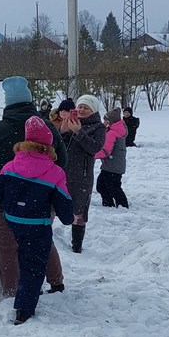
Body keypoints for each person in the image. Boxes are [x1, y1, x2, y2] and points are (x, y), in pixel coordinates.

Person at [0, 77, 64, 303]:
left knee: (8, 247)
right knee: (43, 240)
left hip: (5, 202)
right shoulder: (48, 128)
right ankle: (56, 281)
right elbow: (63, 161)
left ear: (7, 103)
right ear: (30, 101)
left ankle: (12, 293)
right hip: (43, 200)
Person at [0, 116, 74, 324]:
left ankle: (17, 291)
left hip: (13, 220)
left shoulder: (10, 166)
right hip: (37, 225)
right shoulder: (55, 172)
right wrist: (68, 218)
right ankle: (23, 308)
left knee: (19, 253)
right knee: (34, 266)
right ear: (48, 146)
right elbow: (63, 201)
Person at [60, 94, 108, 253]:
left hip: (82, 176)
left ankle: (77, 245)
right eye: (79, 106)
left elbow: (95, 148)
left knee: (79, 213)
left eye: (85, 107)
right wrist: (64, 131)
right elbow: (61, 147)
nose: (81, 109)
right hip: (63, 173)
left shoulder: (99, 127)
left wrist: (79, 132)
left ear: (93, 110)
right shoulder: (73, 122)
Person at [95, 107, 130, 208]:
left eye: (105, 120)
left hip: (112, 166)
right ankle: (108, 203)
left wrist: (92, 155)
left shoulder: (112, 133)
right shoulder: (117, 131)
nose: (104, 122)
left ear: (110, 122)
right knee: (103, 185)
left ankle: (122, 206)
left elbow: (105, 151)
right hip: (112, 165)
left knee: (112, 187)